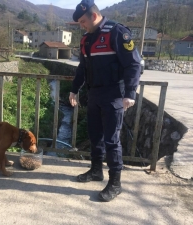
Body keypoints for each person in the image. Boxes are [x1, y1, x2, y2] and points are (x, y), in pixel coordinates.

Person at [69, 0, 141, 202]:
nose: (82, 25)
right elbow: (82, 68)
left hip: (114, 95)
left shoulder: (117, 32)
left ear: (94, 16)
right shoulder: (86, 40)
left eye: (83, 21)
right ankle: (95, 171)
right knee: (95, 136)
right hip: (94, 95)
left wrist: (130, 93)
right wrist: (74, 89)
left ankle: (115, 183)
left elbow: (133, 64)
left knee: (111, 140)